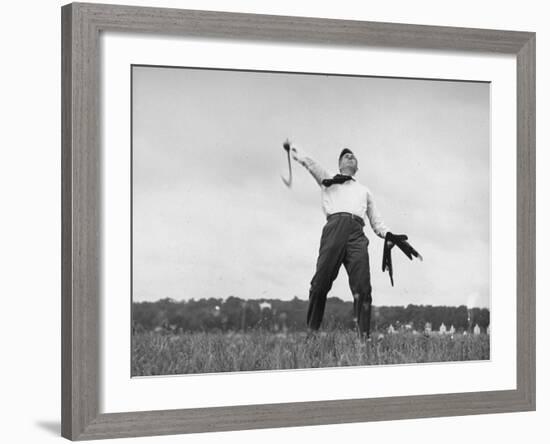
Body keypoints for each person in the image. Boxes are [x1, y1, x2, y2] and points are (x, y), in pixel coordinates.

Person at [285, 141, 392, 339]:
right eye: (345, 156)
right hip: (334, 230)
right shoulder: (328, 180)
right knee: (319, 284)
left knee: (363, 288)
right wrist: (296, 152)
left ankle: (364, 339)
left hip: (356, 234)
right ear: (340, 165)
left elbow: (376, 222)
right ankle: (312, 334)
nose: (350, 157)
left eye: (352, 156)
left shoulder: (364, 191)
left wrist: (389, 235)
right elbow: (312, 165)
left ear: (356, 167)